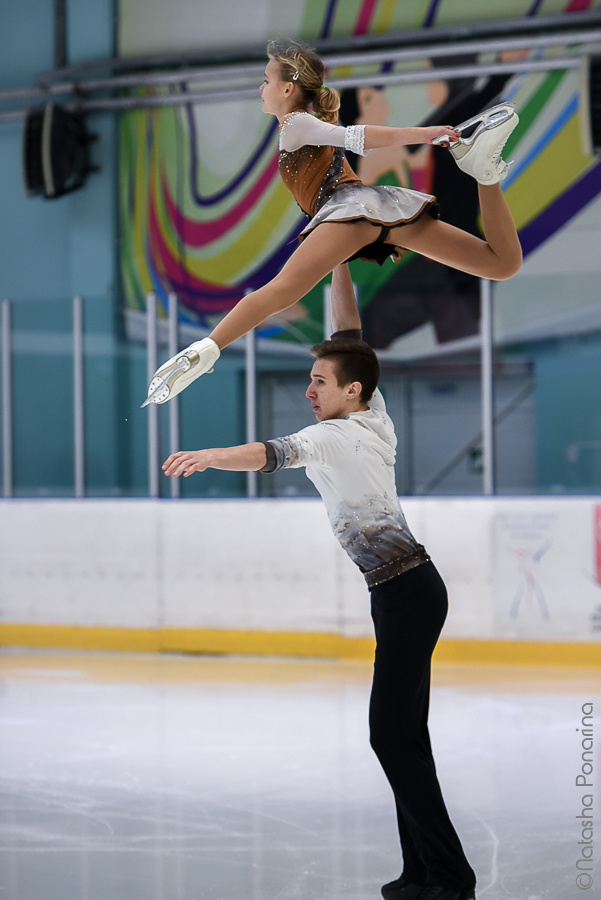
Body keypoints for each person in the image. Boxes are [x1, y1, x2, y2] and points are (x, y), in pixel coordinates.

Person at [163, 264, 477, 900]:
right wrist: (337, 258)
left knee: (390, 736)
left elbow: (269, 454)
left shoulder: (333, 436)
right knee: (404, 736)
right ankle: (422, 871)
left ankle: (450, 876)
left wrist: (210, 455)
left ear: (350, 391)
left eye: (319, 381)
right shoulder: (373, 410)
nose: (309, 389)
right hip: (403, 592)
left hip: (407, 594)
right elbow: (348, 331)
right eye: (311, 379)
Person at [143, 39, 522, 406]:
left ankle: (204, 350)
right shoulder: (304, 128)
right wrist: (337, 256)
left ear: (288, 89)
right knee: (501, 264)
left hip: (351, 213)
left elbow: (355, 137)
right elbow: (331, 216)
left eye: (266, 79)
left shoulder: (295, 124)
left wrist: (424, 134)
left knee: (280, 292)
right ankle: (485, 174)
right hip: (376, 211)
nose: (260, 87)